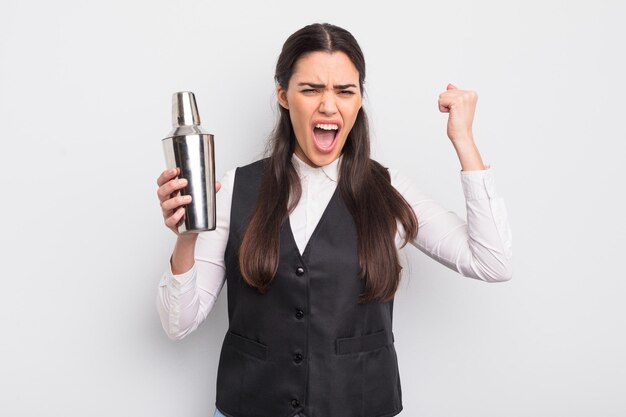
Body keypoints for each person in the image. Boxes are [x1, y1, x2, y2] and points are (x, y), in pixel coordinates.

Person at [155, 22, 512, 417]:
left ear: (359, 100)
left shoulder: (390, 190)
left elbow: (492, 261)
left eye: (345, 91)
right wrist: (185, 237)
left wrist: (463, 139)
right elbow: (178, 323)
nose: (329, 106)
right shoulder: (233, 189)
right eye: (311, 89)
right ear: (283, 96)